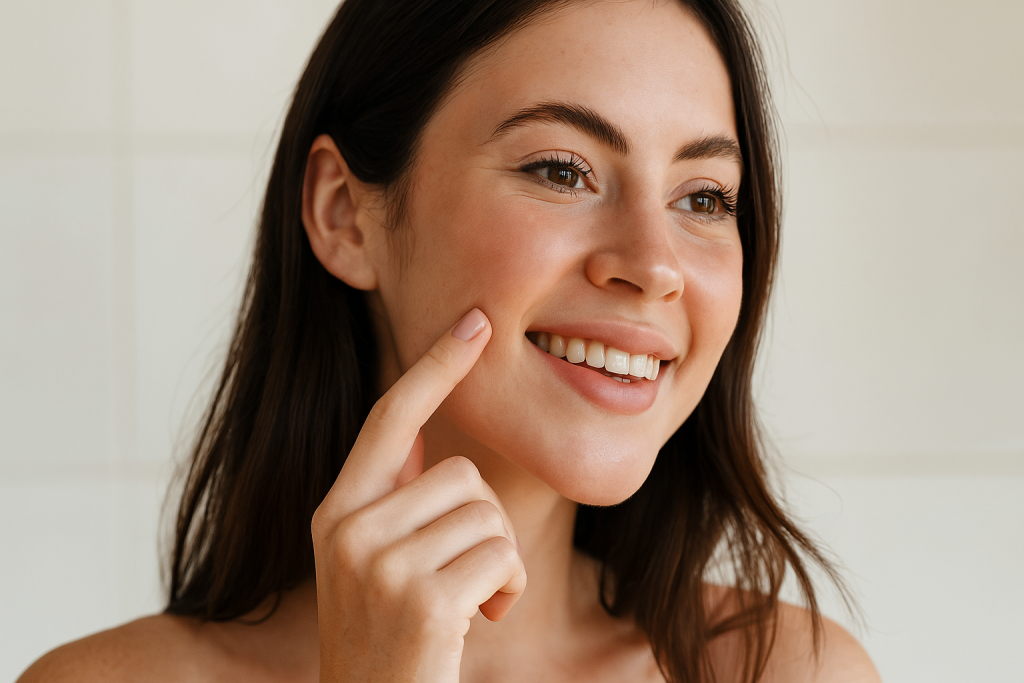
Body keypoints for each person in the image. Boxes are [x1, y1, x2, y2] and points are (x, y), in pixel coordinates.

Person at [20, 0, 881, 681]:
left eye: (703, 197)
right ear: (344, 214)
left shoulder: (792, 672)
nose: (654, 266)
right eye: (560, 170)